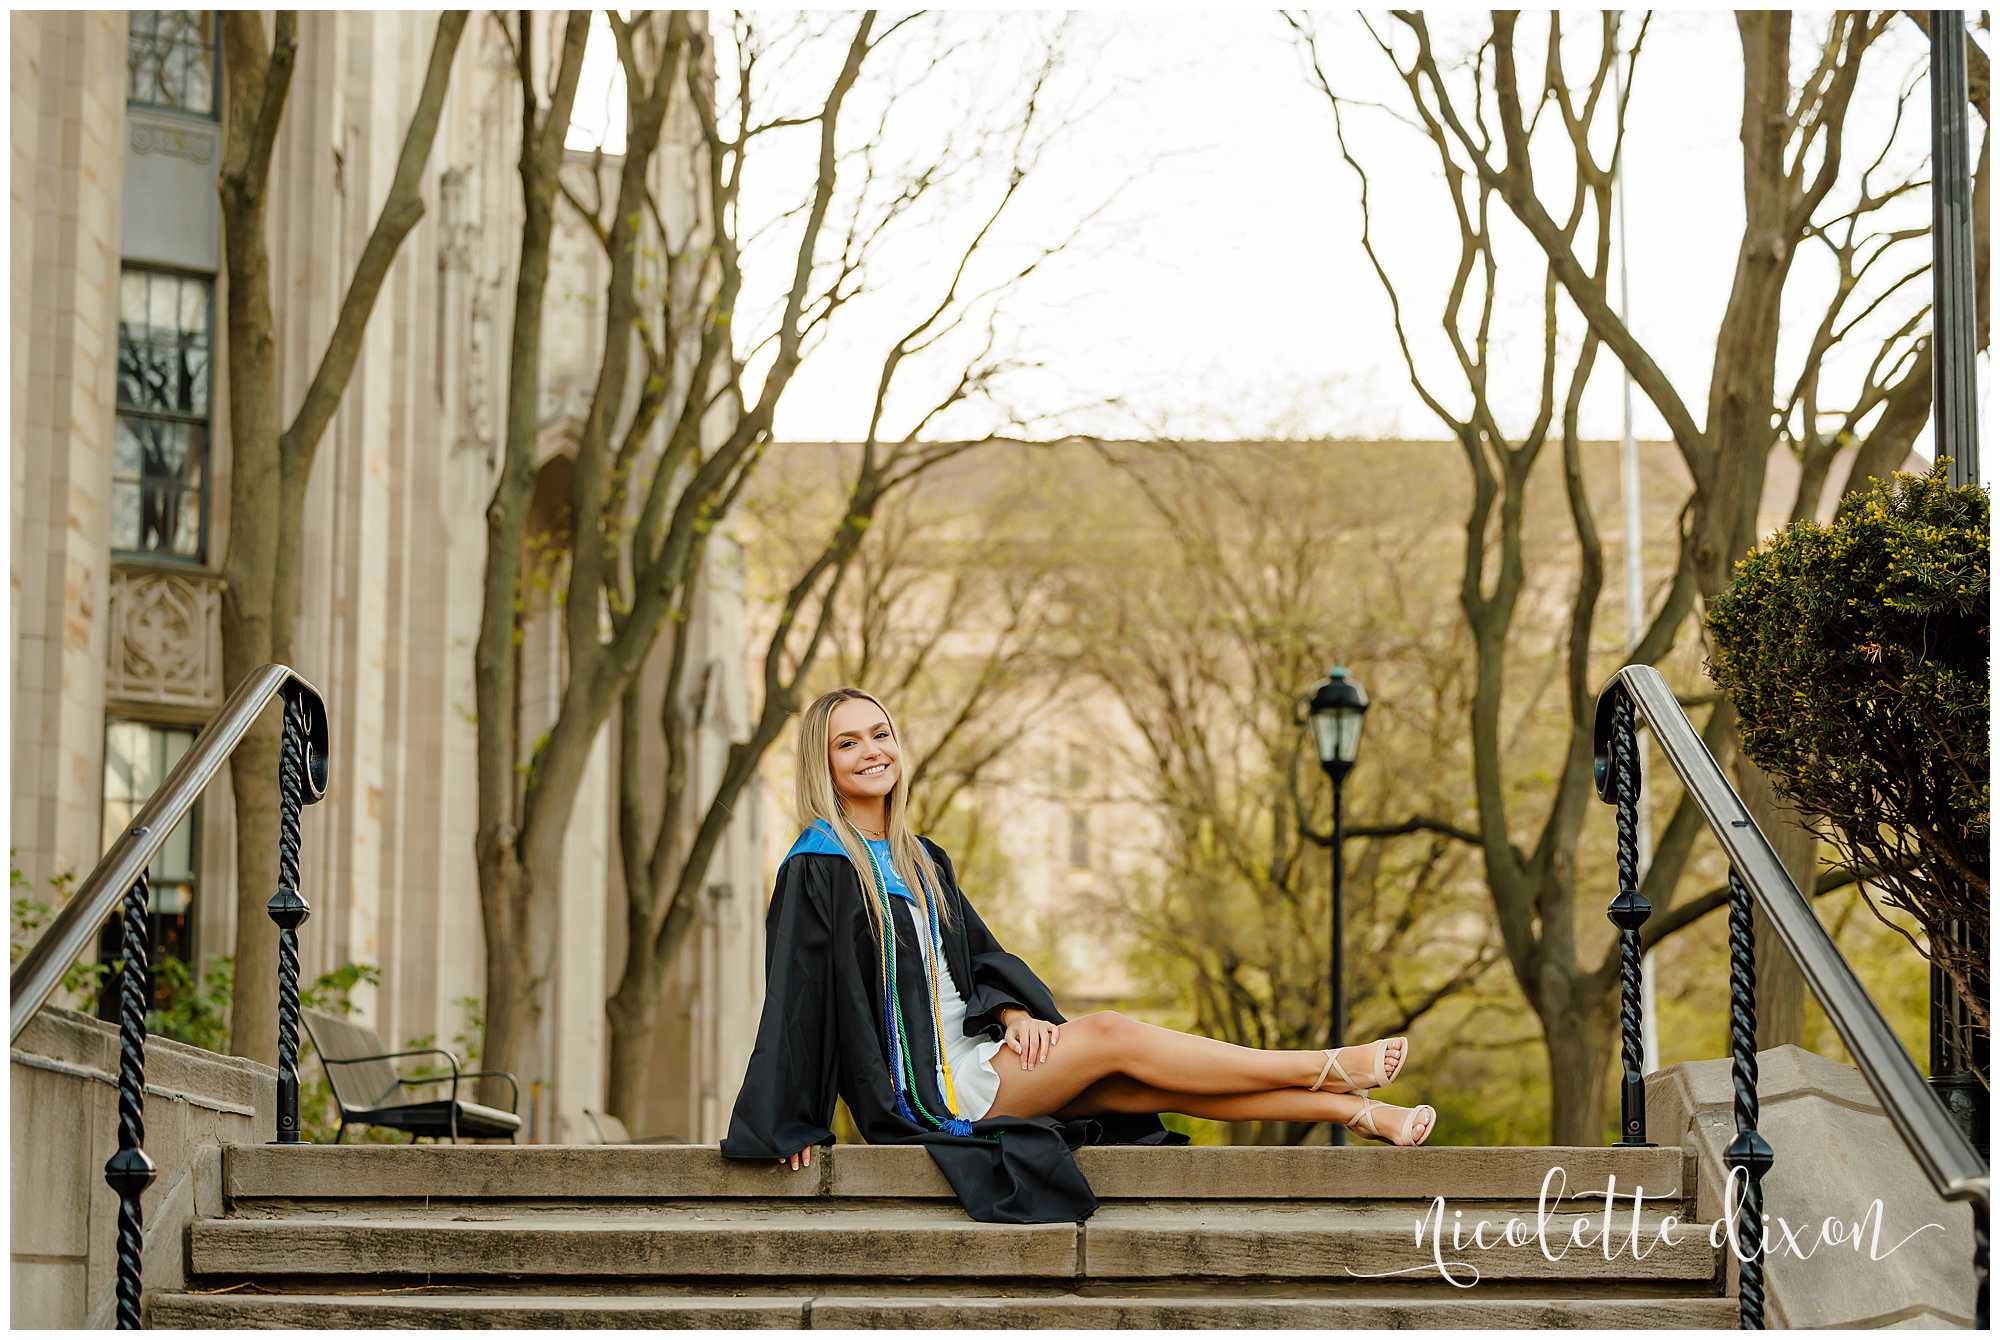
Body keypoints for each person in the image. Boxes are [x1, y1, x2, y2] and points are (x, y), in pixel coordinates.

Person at [718, 688, 1437, 1223]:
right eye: (849, 743)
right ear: (824, 761)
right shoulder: (819, 866)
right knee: (1113, 1033)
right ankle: (1327, 1064)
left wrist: (1008, 1009)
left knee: (1155, 1084)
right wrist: (790, 1122)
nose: (872, 751)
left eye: (881, 734)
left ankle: (1361, 1115)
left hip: (978, 1056)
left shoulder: (921, 858)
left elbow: (976, 956)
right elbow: (798, 995)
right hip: (929, 1088)